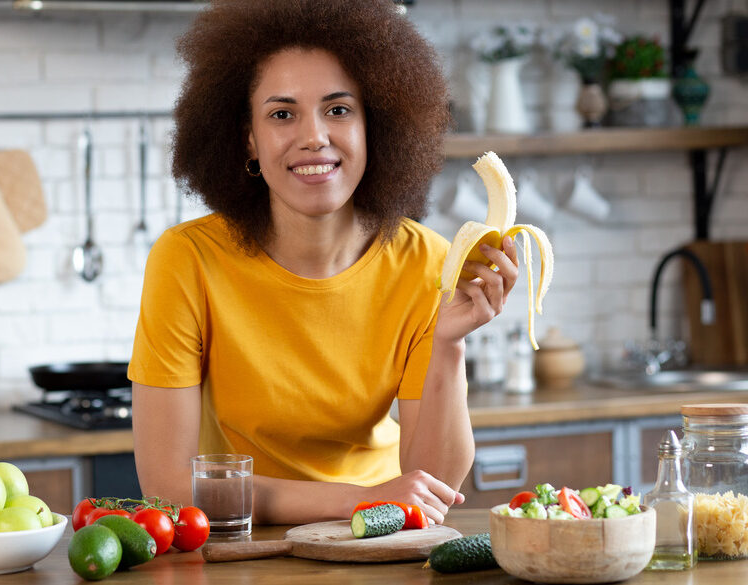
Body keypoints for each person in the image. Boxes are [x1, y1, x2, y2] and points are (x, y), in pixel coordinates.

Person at [128, 0, 519, 526]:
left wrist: (449, 343)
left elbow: (434, 489)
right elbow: (168, 486)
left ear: (371, 126)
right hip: (242, 547)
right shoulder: (188, 260)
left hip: (379, 541)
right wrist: (354, 498)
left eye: (338, 110)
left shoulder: (429, 261)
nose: (313, 136)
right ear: (249, 137)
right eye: (282, 114)